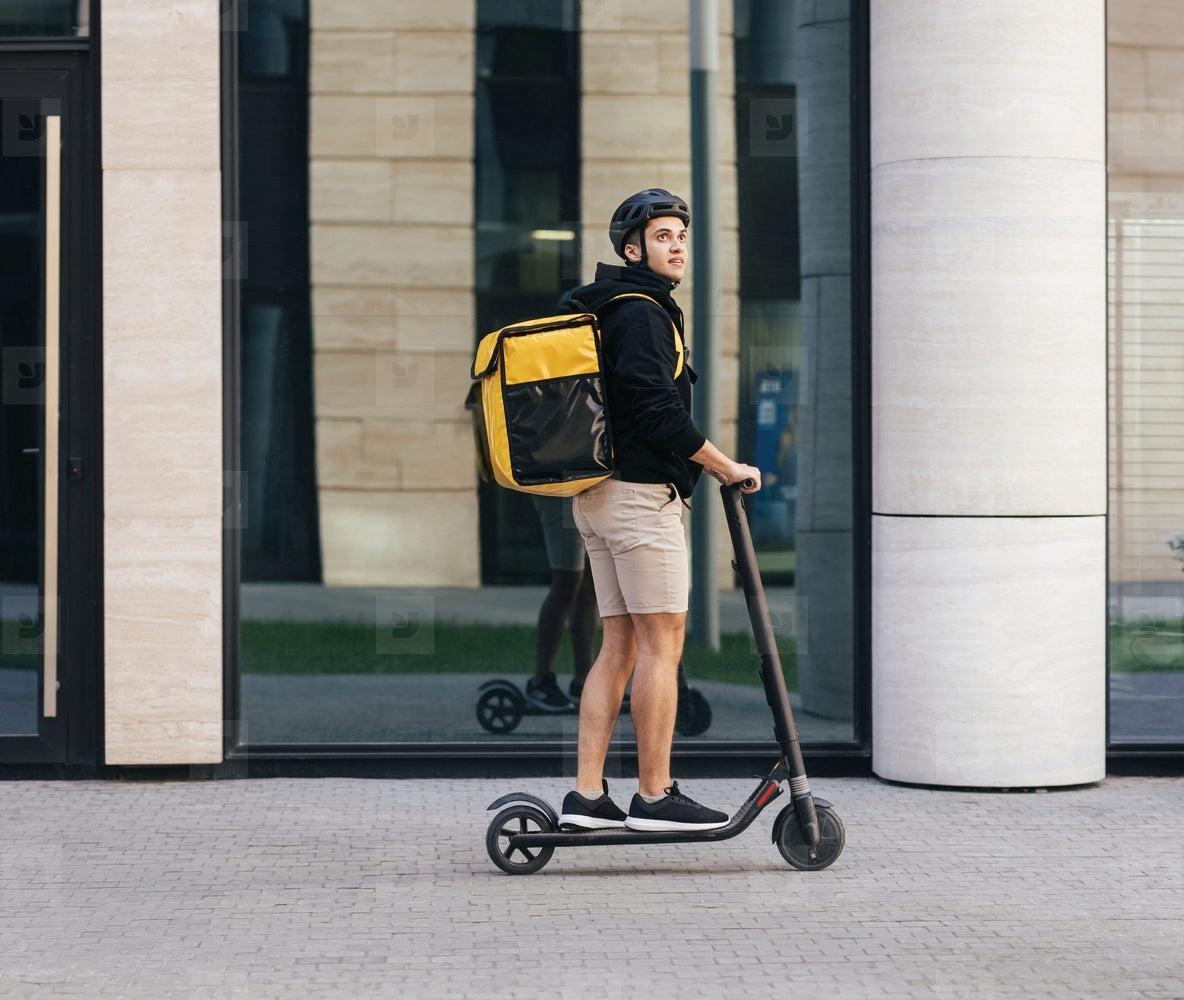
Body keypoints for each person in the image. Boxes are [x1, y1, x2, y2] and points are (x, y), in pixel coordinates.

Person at [555, 188, 761, 832]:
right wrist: (724, 465)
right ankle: (655, 794)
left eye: (681, 237)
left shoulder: (607, 308)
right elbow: (657, 410)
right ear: (631, 249)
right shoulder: (640, 312)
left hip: (597, 497)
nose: (676, 247)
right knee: (660, 645)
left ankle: (588, 798)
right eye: (663, 236)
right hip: (640, 499)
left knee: (617, 644)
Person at [523, 496, 598, 712]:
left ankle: (584, 681)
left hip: (584, 484)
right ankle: (539, 681)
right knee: (567, 582)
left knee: (588, 584)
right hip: (561, 488)